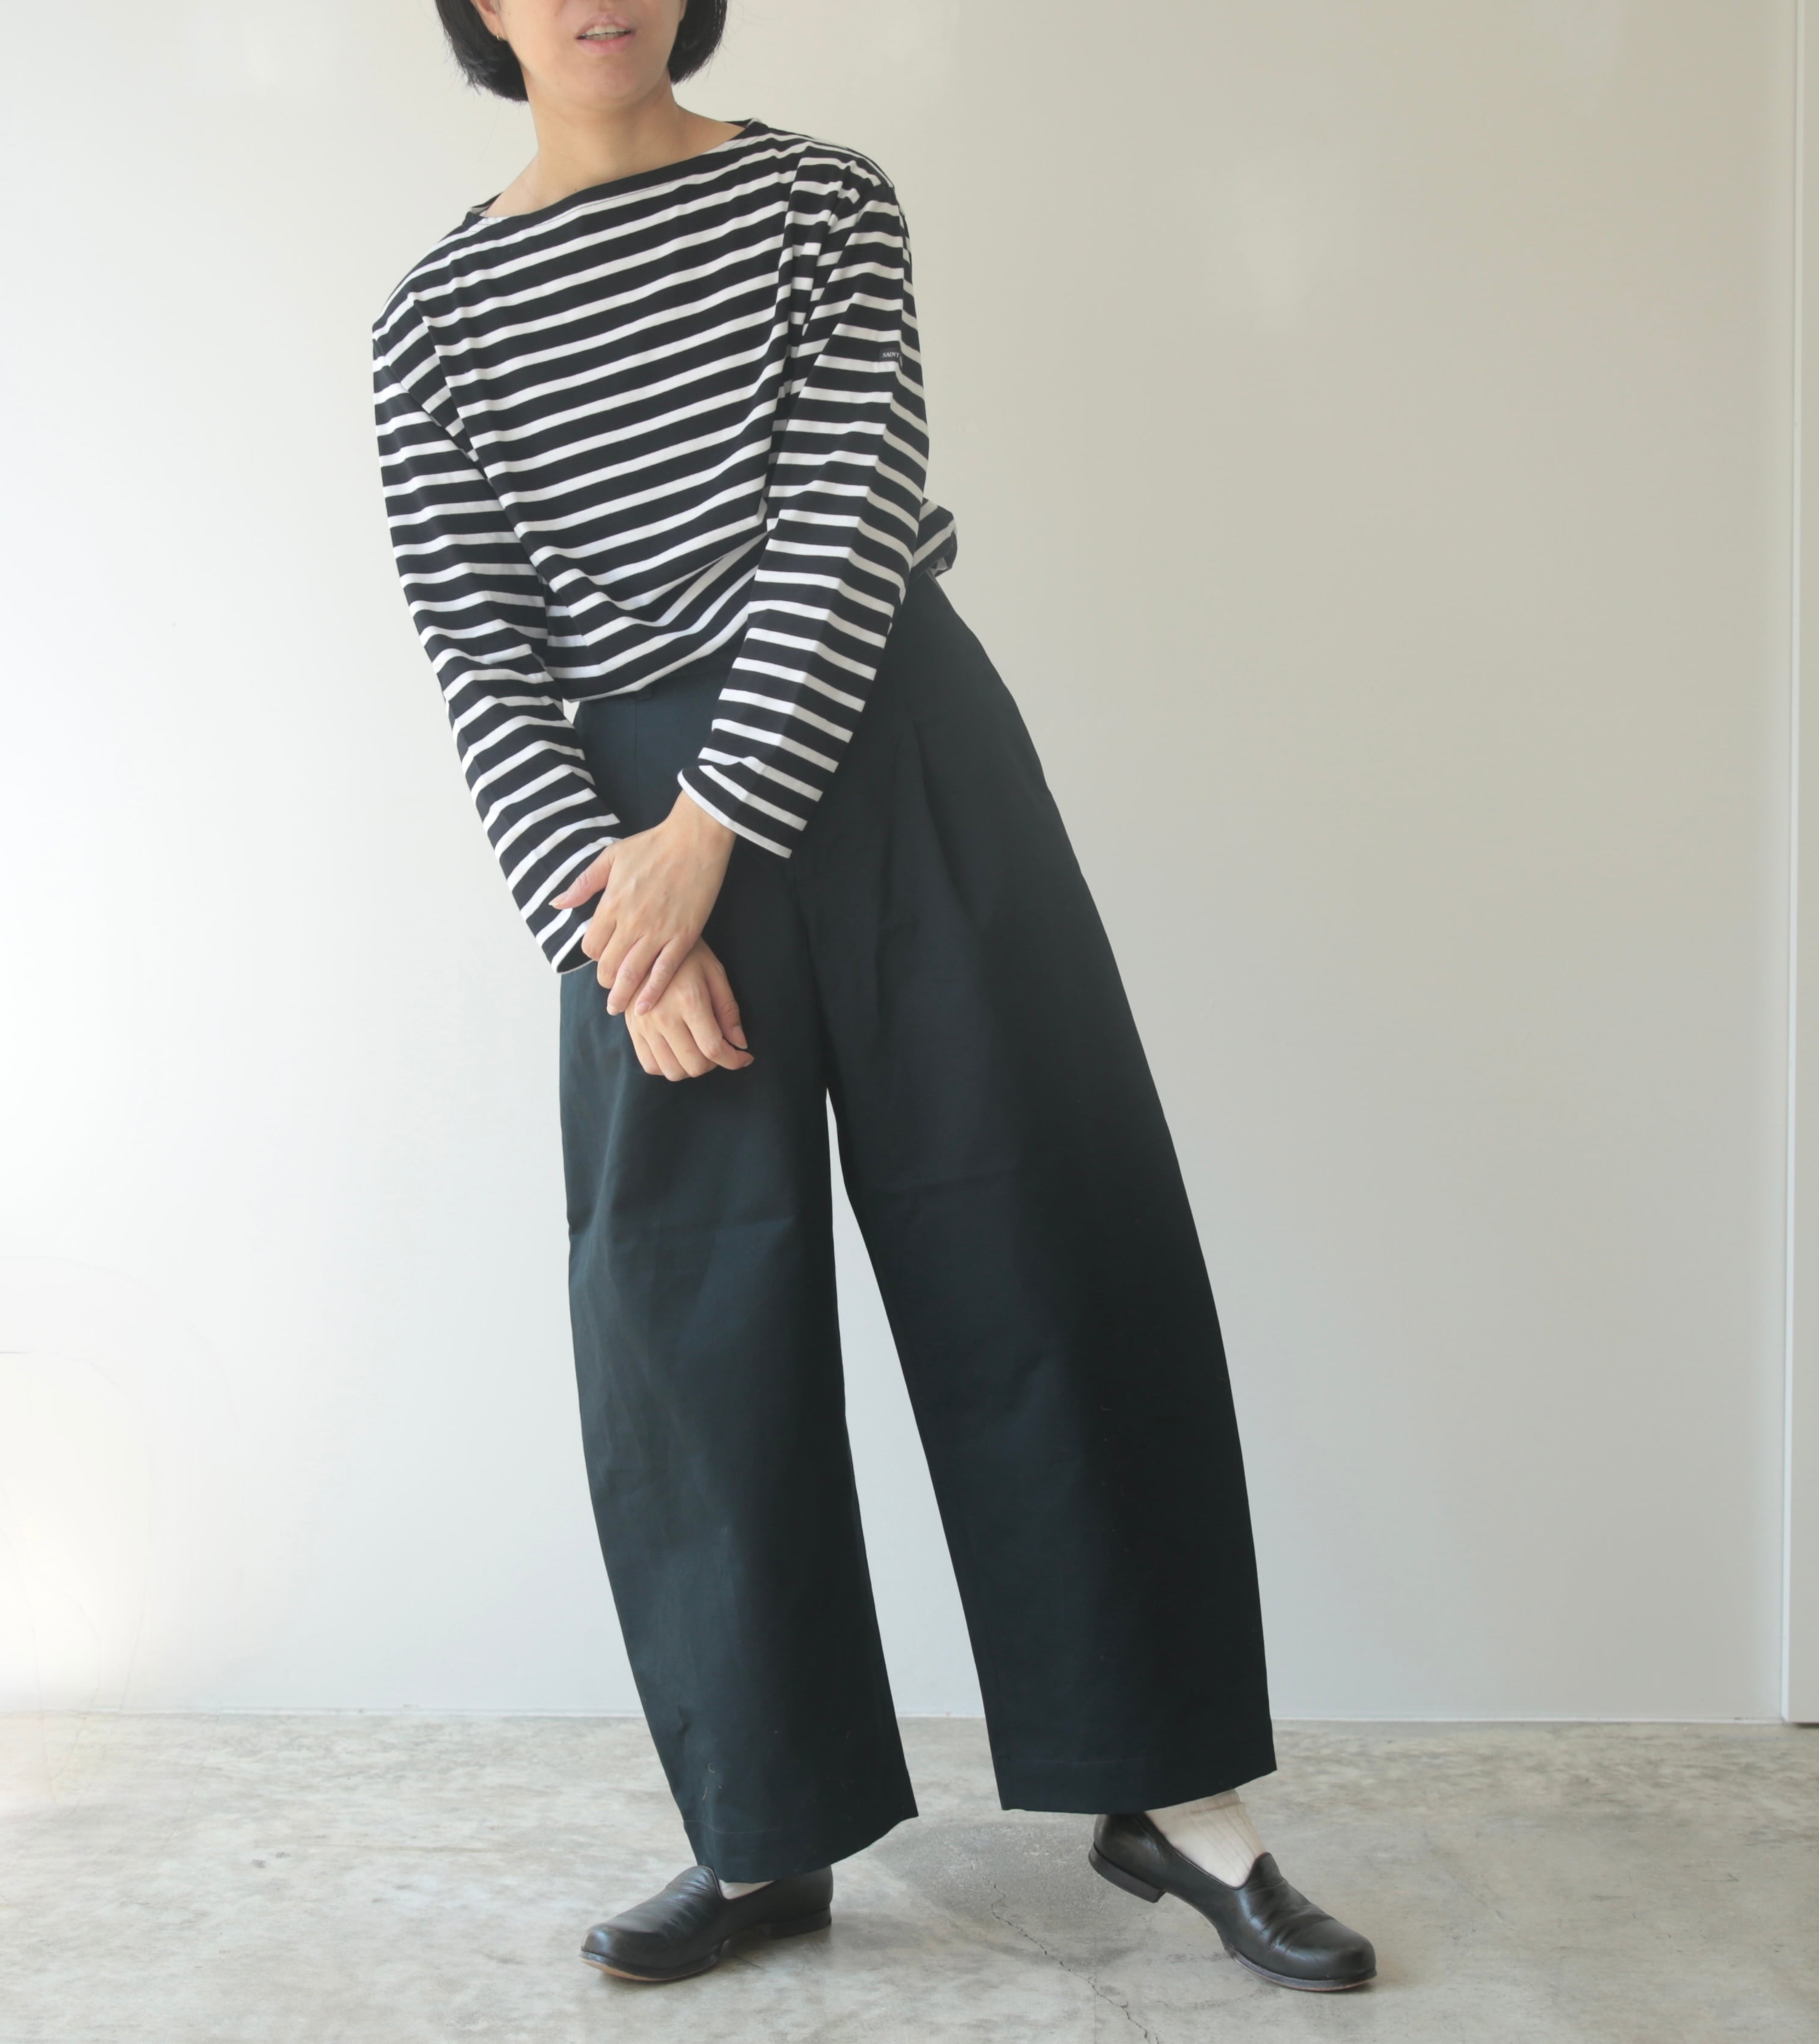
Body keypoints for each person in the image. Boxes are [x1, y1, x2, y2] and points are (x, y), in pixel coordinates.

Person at [370, 0, 1376, 1996]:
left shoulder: (822, 201)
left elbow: (846, 514)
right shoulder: (435, 321)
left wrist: (709, 831)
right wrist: (614, 918)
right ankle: (763, 1832)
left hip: (897, 753)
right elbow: (478, 643)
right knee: (690, 1326)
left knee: (1050, 1256)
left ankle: (1177, 1797)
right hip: (623, 848)